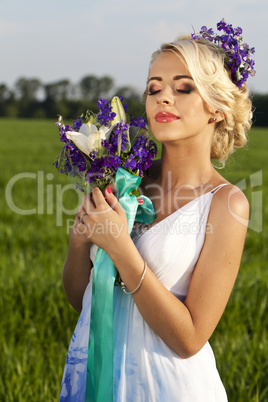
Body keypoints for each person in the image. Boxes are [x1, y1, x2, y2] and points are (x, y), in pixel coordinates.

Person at [59, 20, 254, 401]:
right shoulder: (124, 181)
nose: (163, 98)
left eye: (183, 88)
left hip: (165, 384)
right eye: (154, 88)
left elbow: (190, 338)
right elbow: (80, 298)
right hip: (95, 371)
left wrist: (120, 248)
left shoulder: (227, 204)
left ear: (216, 108)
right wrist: (79, 244)